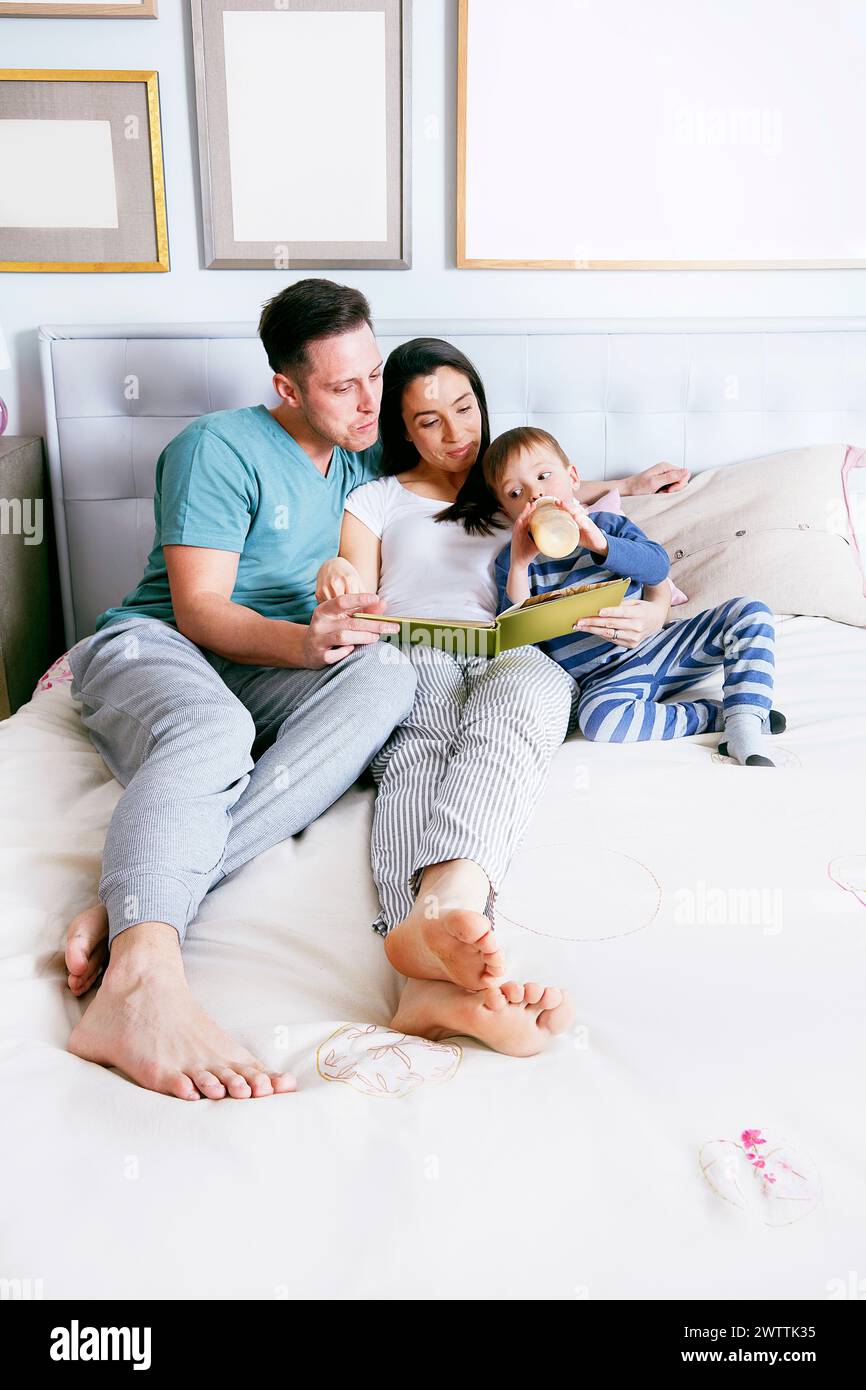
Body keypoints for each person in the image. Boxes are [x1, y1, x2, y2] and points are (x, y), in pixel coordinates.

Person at [62, 280, 416, 1101]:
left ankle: (135, 901)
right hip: (158, 647)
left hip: (275, 668)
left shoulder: (368, 453)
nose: (371, 402)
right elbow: (201, 611)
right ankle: (141, 984)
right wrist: (305, 640)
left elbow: (483, 483)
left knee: (391, 681)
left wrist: (613, 494)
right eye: (343, 386)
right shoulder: (217, 447)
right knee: (216, 732)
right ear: (286, 388)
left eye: (375, 374)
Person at [316, 341, 679, 1055]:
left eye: (465, 408)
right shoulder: (376, 498)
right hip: (414, 646)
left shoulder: (516, 489)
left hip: (516, 644)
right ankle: (428, 963)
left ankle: (436, 932)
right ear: (402, 428)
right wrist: (333, 575)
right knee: (420, 748)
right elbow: (354, 586)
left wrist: (654, 596)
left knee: (518, 718)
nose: (456, 435)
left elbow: (594, 518)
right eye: (429, 422)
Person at [478, 426, 786, 764]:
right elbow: (517, 641)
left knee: (750, 612)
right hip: (606, 680)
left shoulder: (607, 525)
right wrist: (521, 565)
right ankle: (716, 716)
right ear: (507, 512)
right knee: (598, 720)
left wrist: (598, 542)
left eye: (544, 476)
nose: (535, 494)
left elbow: (656, 568)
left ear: (573, 478)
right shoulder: (513, 562)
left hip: (660, 647)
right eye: (515, 492)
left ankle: (745, 722)